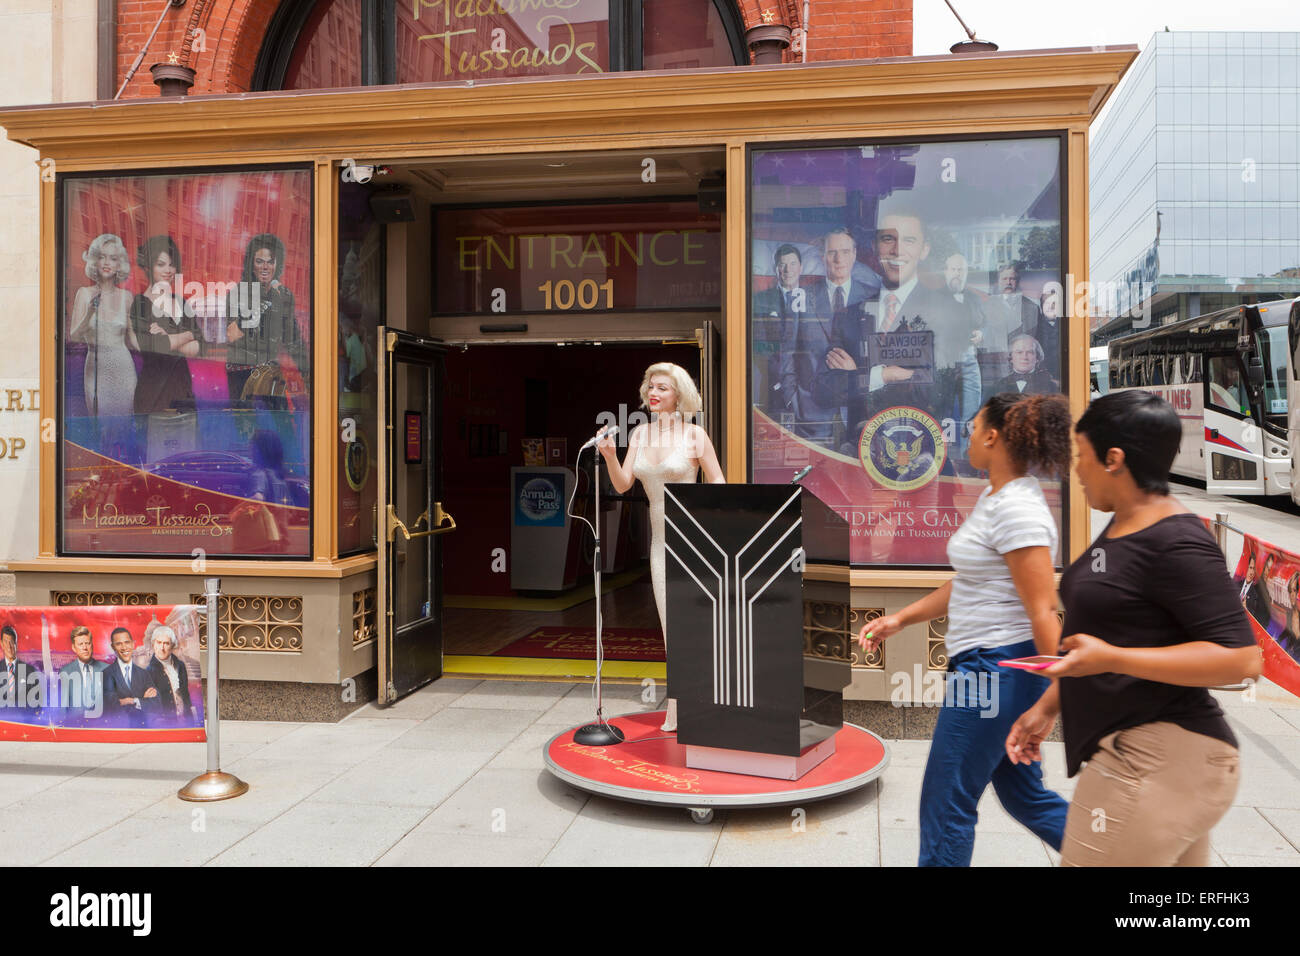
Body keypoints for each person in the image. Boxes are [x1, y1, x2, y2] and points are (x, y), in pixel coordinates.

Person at [1006, 390, 1262, 867]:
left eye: (1082, 457)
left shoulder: (1177, 539)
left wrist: (1112, 659)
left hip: (1158, 759)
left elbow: (1244, 662)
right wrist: (1046, 707)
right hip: (1162, 761)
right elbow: (1110, 632)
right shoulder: (1125, 524)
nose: (1075, 469)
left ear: (1114, 459)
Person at [857, 392, 1072, 866]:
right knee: (1025, 799)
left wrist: (1053, 696)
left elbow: (1042, 610)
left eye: (974, 427)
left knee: (946, 800)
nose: (967, 436)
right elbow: (969, 583)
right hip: (993, 667)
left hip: (993, 671)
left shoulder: (1018, 507)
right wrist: (900, 618)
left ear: (993, 436)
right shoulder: (999, 498)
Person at [597, 362, 725, 732]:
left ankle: (702, 703)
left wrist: (715, 517)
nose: (653, 393)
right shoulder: (639, 436)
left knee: (698, 625)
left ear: (679, 395)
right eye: (651, 386)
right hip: (661, 544)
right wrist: (608, 455)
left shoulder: (695, 436)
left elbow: (717, 479)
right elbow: (623, 485)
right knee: (672, 626)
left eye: (663, 388)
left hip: (695, 540)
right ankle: (679, 706)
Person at [815, 210, 970, 434]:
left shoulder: (948, 311)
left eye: (909, 240)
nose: (897, 250)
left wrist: (857, 375)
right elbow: (824, 391)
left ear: (924, 249)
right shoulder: (849, 315)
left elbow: (936, 391)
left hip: (921, 447)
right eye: (888, 239)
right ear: (874, 246)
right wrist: (884, 375)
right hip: (859, 452)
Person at [225, 233, 305, 408]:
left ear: (277, 265)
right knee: (245, 426)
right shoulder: (238, 293)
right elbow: (232, 334)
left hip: (271, 375)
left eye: (270, 262)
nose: (265, 267)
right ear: (251, 265)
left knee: (277, 422)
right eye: (259, 261)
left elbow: (292, 339)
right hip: (242, 374)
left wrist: (307, 370)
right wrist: (257, 304)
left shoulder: (282, 295)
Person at [68, 233, 139, 418]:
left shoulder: (127, 297)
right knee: (99, 424)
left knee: (124, 425)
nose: (107, 262)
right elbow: (74, 336)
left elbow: (133, 339)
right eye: (102, 256)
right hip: (96, 369)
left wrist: (161, 351)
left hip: (124, 368)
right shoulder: (84, 294)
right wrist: (90, 312)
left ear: (119, 264)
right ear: (94, 261)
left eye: (113, 258)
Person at [131, 235, 201, 416]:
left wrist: (168, 336)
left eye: (171, 264)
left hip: (182, 389)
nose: (168, 270)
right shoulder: (140, 303)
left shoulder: (181, 302)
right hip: (153, 391)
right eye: (161, 264)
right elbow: (154, 346)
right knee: (155, 441)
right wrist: (186, 335)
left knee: (187, 441)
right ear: (148, 266)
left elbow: (200, 347)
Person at [101, 626, 157, 728]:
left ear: (132, 644)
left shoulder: (143, 674)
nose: (124, 647)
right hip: (118, 730)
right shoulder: (106, 674)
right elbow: (111, 707)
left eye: (127, 642)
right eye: (119, 644)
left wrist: (131, 701)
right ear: (113, 647)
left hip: (143, 729)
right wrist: (142, 700)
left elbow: (157, 703)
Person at [146, 625, 194, 724]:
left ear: (172, 646)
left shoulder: (180, 665)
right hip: (164, 723)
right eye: (159, 642)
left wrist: (190, 720)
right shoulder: (148, 672)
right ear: (153, 644)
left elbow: (185, 694)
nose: (162, 648)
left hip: (184, 720)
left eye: (166, 643)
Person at [57, 625, 108, 713]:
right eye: (80, 644)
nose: (85, 648)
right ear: (74, 648)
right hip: (76, 724)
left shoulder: (107, 669)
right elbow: (63, 708)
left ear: (92, 645)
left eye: (87, 643)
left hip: (102, 723)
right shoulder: (65, 672)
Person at [993, 333, 1059, 396]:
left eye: (1030, 352)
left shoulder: (1050, 385)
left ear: (1037, 358)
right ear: (1011, 358)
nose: (1024, 357)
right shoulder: (999, 386)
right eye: (1019, 352)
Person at [0, 624, 42, 709]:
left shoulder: (30, 671)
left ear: (16, 644)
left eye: (11, 642)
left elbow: (37, 703)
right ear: (1, 644)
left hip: (22, 719)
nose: (9, 646)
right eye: (6, 642)